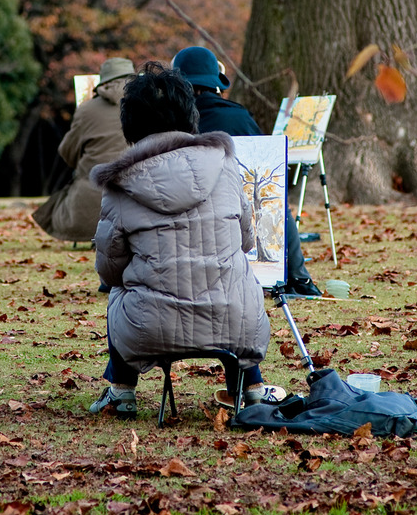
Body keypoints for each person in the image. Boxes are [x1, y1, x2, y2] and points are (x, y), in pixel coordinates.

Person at [88, 62, 285, 418]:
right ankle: (252, 388)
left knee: (118, 289)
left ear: (130, 123)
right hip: (238, 323)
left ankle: (121, 392)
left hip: (149, 328)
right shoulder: (225, 166)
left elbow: (109, 269)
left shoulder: (120, 184)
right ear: (189, 115)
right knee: (236, 277)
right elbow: (245, 240)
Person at [171, 46, 322, 299]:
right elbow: (269, 181)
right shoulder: (240, 117)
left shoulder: (169, 121)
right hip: (239, 221)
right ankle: (299, 276)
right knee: (277, 202)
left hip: (184, 234)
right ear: (215, 84)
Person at [32, 58, 135, 248]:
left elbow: (67, 151)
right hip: (134, 199)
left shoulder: (87, 109)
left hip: (88, 205)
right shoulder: (147, 107)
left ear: (102, 82)